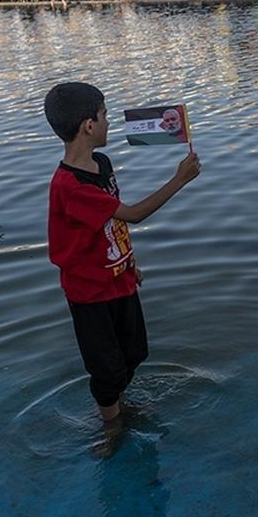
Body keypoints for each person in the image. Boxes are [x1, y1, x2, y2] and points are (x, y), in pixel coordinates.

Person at [44, 82, 202, 422]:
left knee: (135, 351)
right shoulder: (71, 187)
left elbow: (112, 224)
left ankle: (118, 405)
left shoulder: (101, 164)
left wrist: (129, 261)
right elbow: (132, 213)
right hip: (89, 291)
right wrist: (179, 180)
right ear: (89, 125)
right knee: (106, 367)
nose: (109, 123)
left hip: (118, 277)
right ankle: (111, 424)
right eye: (105, 115)